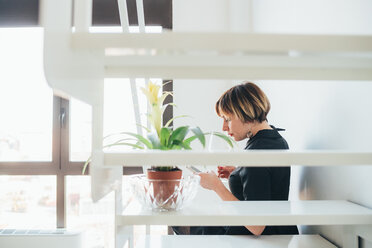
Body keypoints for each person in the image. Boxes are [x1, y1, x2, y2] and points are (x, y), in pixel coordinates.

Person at [173, 82, 298, 236]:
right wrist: (239, 172)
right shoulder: (276, 139)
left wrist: (216, 186)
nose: (224, 128)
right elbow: (269, 183)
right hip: (281, 231)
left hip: (256, 237)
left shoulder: (255, 154)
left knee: (180, 221)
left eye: (228, 119)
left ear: (246, 115)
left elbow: (256, 226)